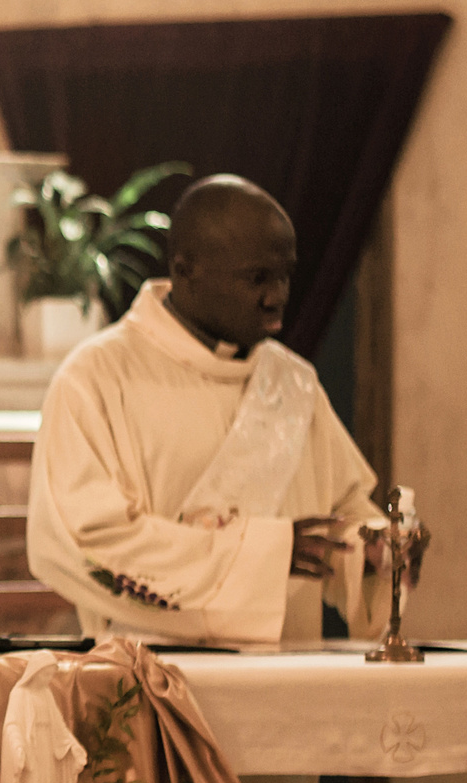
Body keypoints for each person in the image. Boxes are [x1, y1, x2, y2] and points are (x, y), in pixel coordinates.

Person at [28, 174, 385, 645]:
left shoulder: (292, 383)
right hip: (149, 685)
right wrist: (264, 554)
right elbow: (85, 544)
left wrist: (379, 549)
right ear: (185, 269)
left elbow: (343, 518)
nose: (277, 297)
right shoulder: (96, 379)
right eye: (257, 277)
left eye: (285, 275)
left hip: (290, 683)